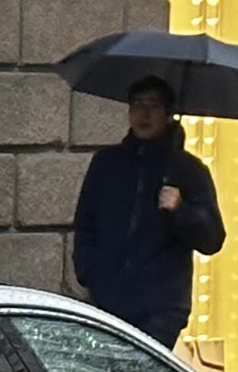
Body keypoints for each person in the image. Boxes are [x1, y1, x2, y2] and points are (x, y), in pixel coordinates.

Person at [71, 76, 226, 352]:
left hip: (160, 307)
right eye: (137, 105)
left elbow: (212, 238)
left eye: (152, 106)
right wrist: (90, 273)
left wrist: (181, 209)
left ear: (168, 115)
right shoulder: (107, 164)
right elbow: (86, 223)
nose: (143, 114)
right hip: (109, 300)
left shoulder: (188, 170)